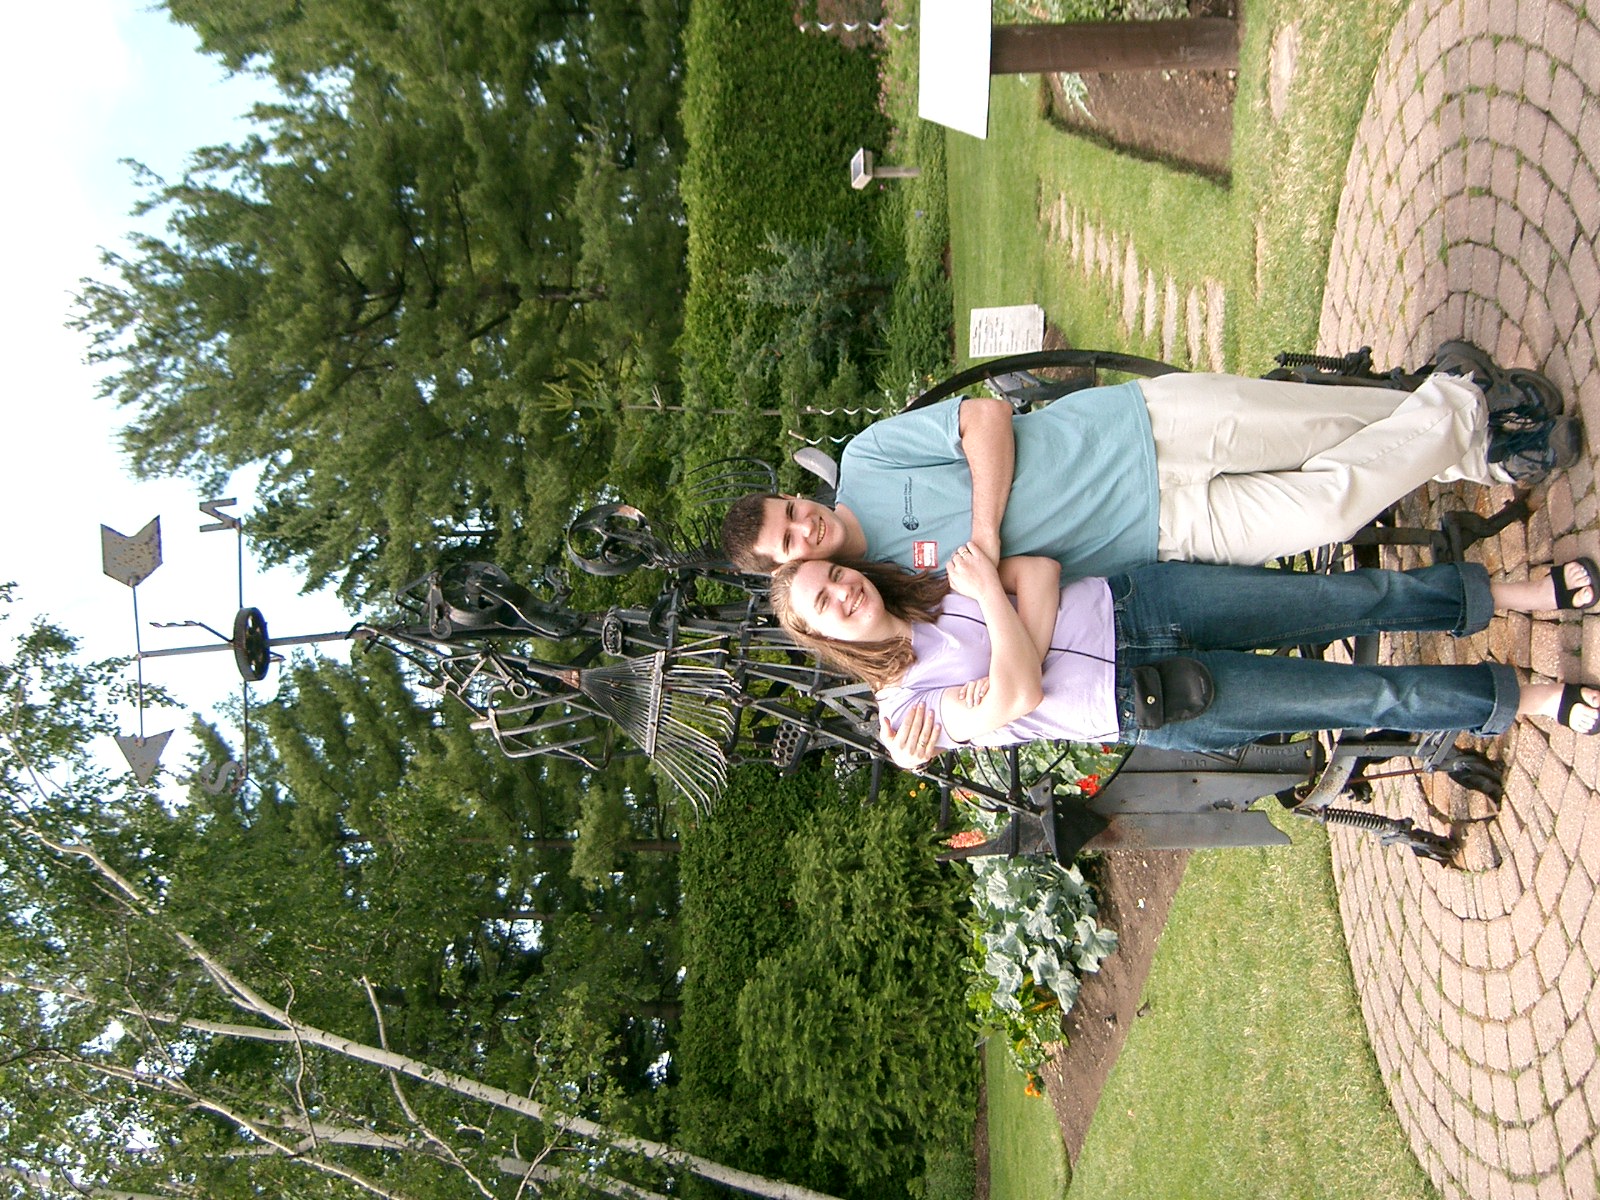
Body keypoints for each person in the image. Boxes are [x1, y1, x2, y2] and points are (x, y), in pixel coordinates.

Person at [722, 360, 1580, 578]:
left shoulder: (868, 458)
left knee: (1331, 422)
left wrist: (981, 532)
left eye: (791, 510)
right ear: (793, 570)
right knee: (1327, 512)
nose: (805, 525)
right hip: (1160, 531)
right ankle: (1465, 405)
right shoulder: (880, 591)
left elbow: (985, 419)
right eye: (790, 542)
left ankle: (1476, 442)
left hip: (1144, 431)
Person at [767, 549, 1600, 761]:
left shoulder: (919, 584)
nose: (843, 592)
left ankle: (1515, 596)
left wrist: (1018, 628)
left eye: (835, 575)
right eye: (824, 604)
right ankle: (1523, 697)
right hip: (1153, 697)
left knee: (1343, 599)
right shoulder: (903, 714)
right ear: (822, 636)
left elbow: (1042, 573)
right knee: (1358, 700)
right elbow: (1018, 696)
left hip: (1144, 600)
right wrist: (996, 600)